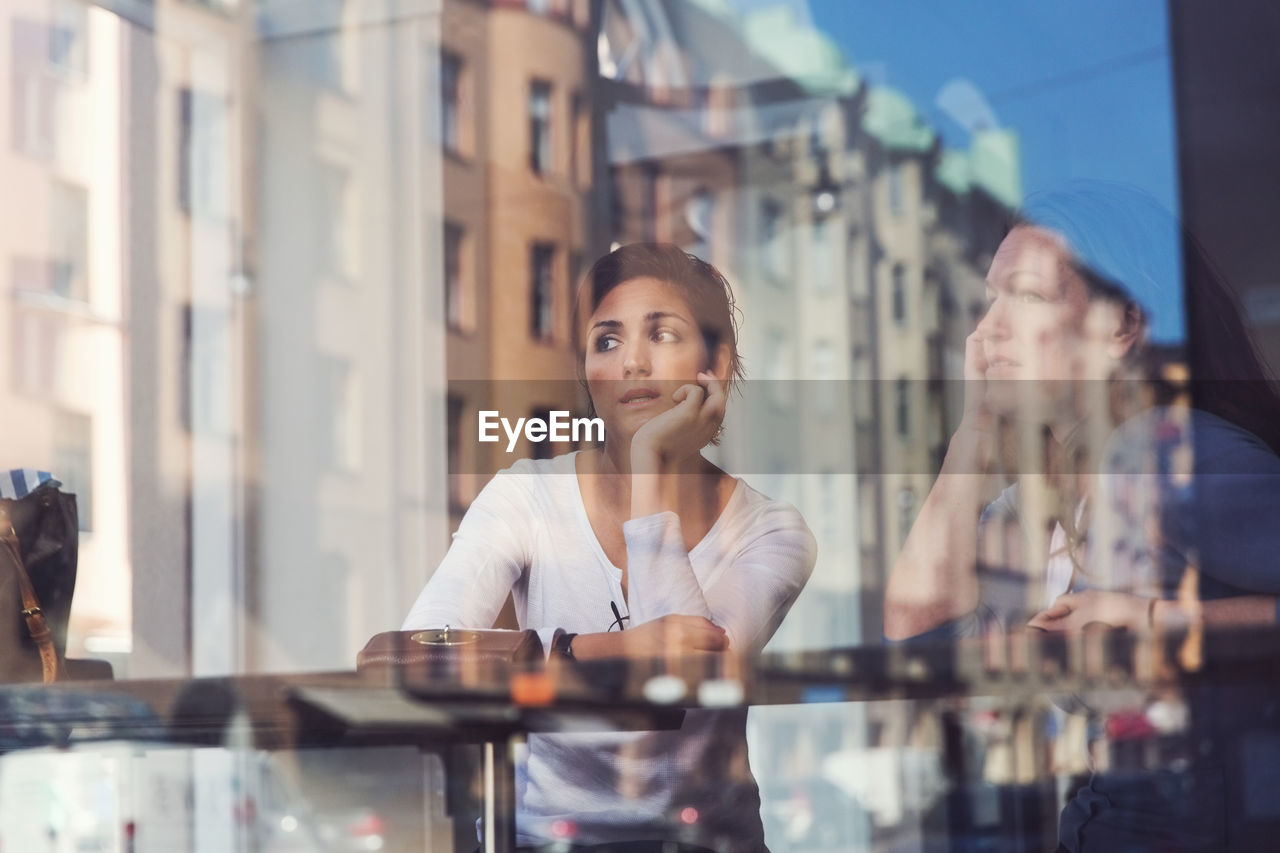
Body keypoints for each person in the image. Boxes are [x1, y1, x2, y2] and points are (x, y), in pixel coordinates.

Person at [882, 181, 1280, 851]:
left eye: (1030, 296)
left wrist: (1160, 622)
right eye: (990, 300)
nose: (987, 332)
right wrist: (975, 429)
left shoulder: (1170, 454)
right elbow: (915, 633)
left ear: (1120, 327)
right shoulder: (1046, 501)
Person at [403, 243, 817, 852]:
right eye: (607, 341)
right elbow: (418, 655)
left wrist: (651, 467)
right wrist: (597, 651)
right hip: (545, 843)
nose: (632, 363)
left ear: (717, 362)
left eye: (663, 334)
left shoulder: (773, 531)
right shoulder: (527, 494)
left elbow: (682, 679)